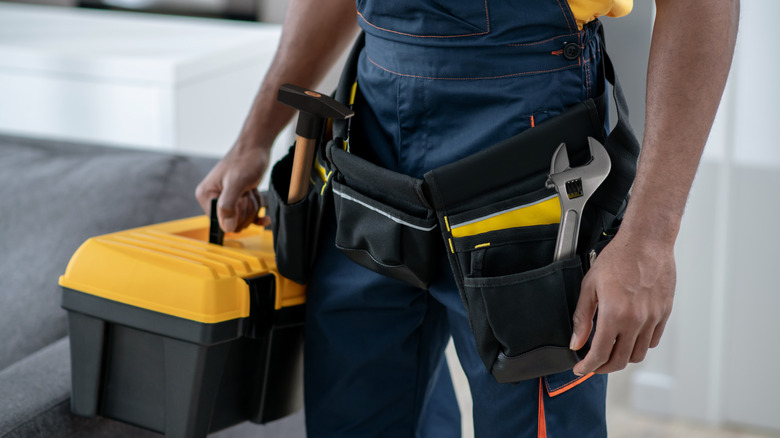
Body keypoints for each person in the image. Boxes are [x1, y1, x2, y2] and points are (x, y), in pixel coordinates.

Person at [196, 0, 739, 436]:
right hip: (372, 147)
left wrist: (649, 239)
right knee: (351, 416)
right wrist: (254, 139)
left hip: (528, 142)